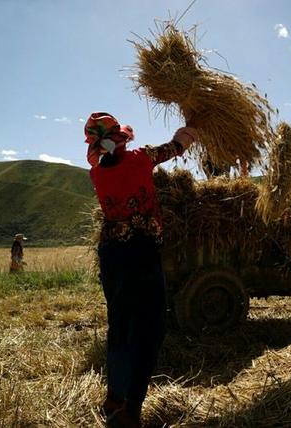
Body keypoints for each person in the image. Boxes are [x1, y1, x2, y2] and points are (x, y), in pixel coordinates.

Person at [85, 112, 198, 427]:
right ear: (121, 139)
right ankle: (132, 409)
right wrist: (191, 127)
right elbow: (176, 146)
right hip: (142, 254)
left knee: (120, 328)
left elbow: (103, 159)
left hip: (111, 256)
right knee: (151, 330)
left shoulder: (96, 174)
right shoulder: (140, 158)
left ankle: (114, 399)